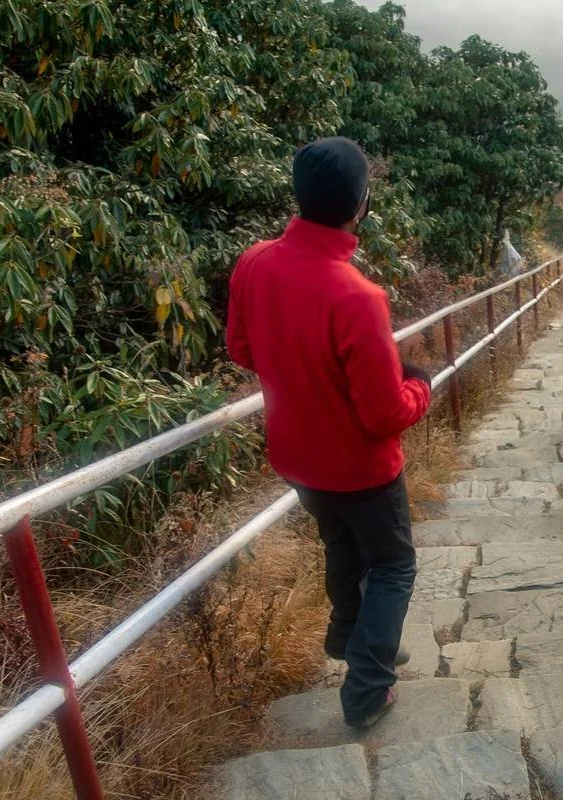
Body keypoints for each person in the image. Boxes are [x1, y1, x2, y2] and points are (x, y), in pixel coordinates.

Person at [227, 137, 431, 729]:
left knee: (342, 545)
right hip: (360, 469)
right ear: (361, 205)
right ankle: (367, 686)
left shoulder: (254, 261)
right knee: (393, 565)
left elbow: (242, 348)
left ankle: (351, 640)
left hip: (296, 459)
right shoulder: (358, 297)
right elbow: (383, 414)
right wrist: (419, 387)